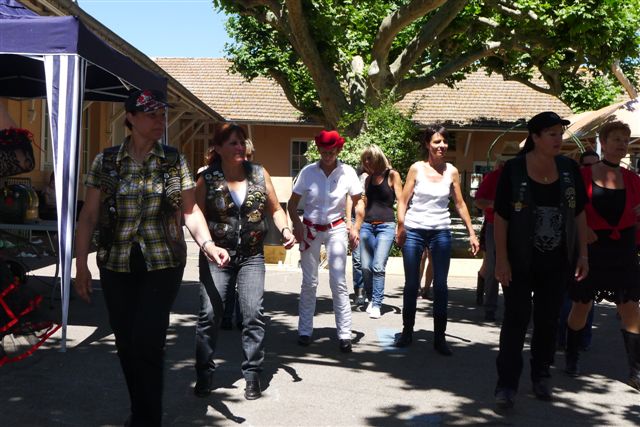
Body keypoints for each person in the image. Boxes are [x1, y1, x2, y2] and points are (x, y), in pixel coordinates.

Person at [74, 89, 224, 427]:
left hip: (162, 262)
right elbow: (89, 215)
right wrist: (81, 264)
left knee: (148, 340)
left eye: (162, 114)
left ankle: (147, 419)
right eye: (151, 114)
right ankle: (140, 410)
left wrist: (207, 244)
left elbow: (191, 211)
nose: (160, 121)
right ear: (130, 118)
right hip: (116, 262)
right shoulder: (106, 161)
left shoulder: (173, 160)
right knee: (126, 342)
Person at [492, 111, 589, 409]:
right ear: (535, 137)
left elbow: (579, 214)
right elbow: (501, 217)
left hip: (557, 260)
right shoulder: (514, 169)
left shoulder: (570, 169)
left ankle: (541, 375)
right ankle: (507, 384)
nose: (559, 139)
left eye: (560, 134)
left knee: (548, 321)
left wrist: (583, 254)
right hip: (519, 260)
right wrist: (501, 260)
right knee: (516, 319)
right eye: (552, 134)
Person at [194, 124, 295, 400]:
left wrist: (286, 230)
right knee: (210, 315)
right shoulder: (208, 178)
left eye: (242, 142)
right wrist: (208, 246)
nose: (240, 147)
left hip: (251, 255)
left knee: (253, 314)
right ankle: (204, 373)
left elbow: (276, 209)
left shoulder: (259, 173)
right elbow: (195, 215)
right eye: (232, 143)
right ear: (218, 148)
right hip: (217, 256)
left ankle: (252, 375)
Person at [564, 121, 640, 390]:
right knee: (581, 306)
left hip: (624, 250)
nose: (622, 144)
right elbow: (571, 210)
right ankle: (572, 356)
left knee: (630, 307)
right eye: (616, 139)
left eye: (625, 140)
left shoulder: (633, 179)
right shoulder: (584, 175)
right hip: (591, 250)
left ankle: (635, 369)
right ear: (603, 143)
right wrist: (582, 231)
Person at [395, 126, 480, 355]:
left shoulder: (452, 171)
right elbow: (403, 201)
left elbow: (460, 203)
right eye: (436, 142)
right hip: (414, 230)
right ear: (427, 145)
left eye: (444, 142)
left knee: (441, 285)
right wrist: (401, 225)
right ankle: (407, 331)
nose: (441, 146)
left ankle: (439, 338)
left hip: (440, 230)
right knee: (412, 283)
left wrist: (471, 232)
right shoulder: (416, 169)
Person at [287, 130, 364, 353]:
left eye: (331, 152)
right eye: (324, 152)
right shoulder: (308, 172)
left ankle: (345, 334)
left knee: (338, 281)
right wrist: (297, 224)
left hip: (336, 228)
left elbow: (359, 202)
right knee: (309, 282)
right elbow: (292, 203)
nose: (328, 156)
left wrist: (355, 227)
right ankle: (305, 331)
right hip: (310, 228)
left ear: (338, 150)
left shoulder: (348, 172)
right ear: (319, 150)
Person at [557, 149, 599, 350]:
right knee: (567, 296)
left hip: (596, 248)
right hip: (570, 246)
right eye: (587, 165)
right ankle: (562, 338)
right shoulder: (571, 184)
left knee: (587, 298)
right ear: (581, 166)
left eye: (595, 164)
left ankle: (583, 339)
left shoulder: (605, 183)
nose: (591, 169)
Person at [359, 145, 403, 318]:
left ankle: (377, 303)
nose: (366, 163)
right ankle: (371, 298)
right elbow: (365, 203)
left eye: (368, 159)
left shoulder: (392, 175)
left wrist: (401, 225)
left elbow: (401, 201)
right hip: (367, 226)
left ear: (377, 158)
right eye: (364, 160)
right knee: (365, 266)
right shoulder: (368, 179)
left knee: (378, 266)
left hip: (386, 226)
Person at [474, 159, 505, 321]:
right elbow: (479, 201)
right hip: (494, 224)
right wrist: (496, 204)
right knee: (491, 264)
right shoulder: (494, 177)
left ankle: (515, 305)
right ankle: (490, 306)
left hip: (520, 226)